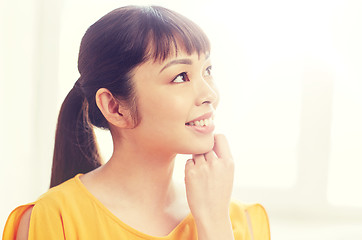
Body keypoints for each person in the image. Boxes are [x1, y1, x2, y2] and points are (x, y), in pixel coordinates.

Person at [3, 5, 270, 240]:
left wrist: (214, 223)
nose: (210, 95)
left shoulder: (239, 221)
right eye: (181, 77)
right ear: (115, 107)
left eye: (207, 71)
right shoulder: (54, 220)